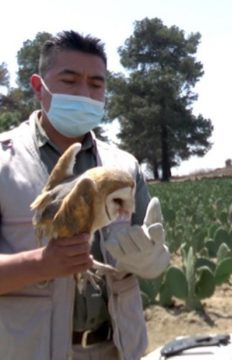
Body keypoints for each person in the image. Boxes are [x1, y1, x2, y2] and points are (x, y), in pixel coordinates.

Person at [0, 30, 170, 360]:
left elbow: (152, 248)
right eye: (70, 80)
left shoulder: (125, 166)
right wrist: (41, 263)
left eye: (96, 84)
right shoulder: (4, 163)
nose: (85, 93)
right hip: (30, 349)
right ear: (38, 87)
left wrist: (151, 260)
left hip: (117, 348)